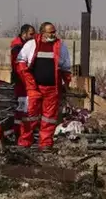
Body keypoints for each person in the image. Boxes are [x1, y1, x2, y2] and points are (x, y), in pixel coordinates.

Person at [16, 22, 72, 150]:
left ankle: (45, 143)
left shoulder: (60, 46)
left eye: (54, 32)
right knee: (30, 116)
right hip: (34, 88)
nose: (53, 34)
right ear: (42, 32)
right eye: (50, 32)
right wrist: (29, 82)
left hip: (52, 89)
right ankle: (25, 141)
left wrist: (66, 84)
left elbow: (65, 67)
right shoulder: (31, 45)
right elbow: (21, 62)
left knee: (49, 119)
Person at [10, 24, 36, 138]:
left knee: (22, 106)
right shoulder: (18, 47)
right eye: (31, 34)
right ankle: (19, 132)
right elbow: (20, 65)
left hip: (22, 79)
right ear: (23, 33)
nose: (33, 37)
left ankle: (20, 131)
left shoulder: (21, 45)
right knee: (22, 106)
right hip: (21, 80)